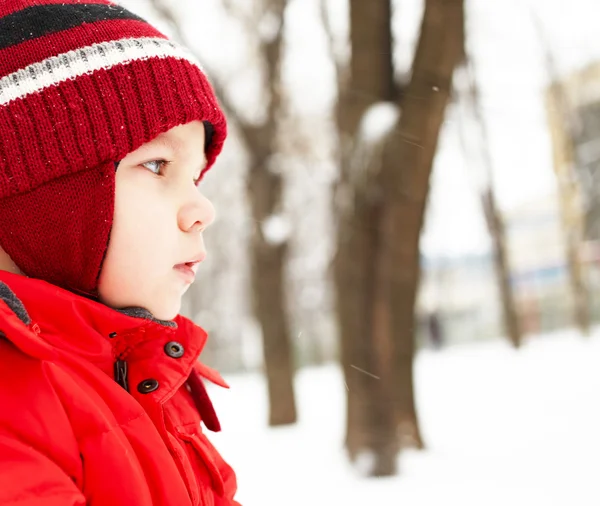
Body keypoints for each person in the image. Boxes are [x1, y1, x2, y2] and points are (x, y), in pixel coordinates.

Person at [0, 1, 239, 504]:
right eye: (157, 166)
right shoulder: (14, 401)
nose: (202, 209)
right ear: (37, 199)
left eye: (195, 176)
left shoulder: (142, 375)